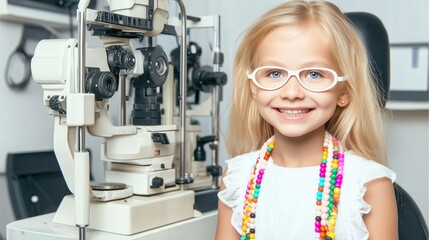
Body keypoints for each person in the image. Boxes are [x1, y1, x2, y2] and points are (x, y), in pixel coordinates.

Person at [215, 1, 398, 239]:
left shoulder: (368, 184)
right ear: (253, 87)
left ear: (344, 92)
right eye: (274, 73)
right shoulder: (236, 180)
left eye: (314, 74)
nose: (292, 93)